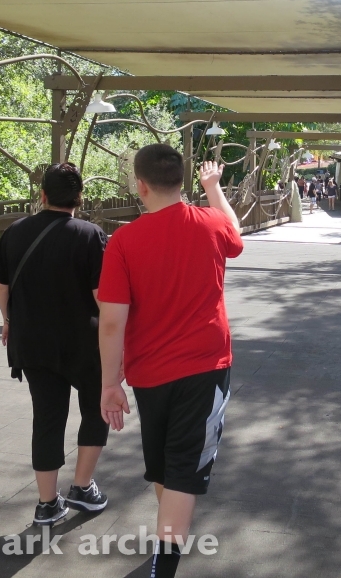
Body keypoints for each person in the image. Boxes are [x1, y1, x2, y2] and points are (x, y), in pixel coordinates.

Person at [98, 148, 243, 578]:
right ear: (181, 182)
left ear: (140, 185)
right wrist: (213, 189)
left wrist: (110, 383)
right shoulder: (212, 223)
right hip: (206, 367)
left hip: (148, 373)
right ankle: (168, 552)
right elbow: (235, 232)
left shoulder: (124, 242)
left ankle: (167, 549)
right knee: (177, 468)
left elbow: (111, 321)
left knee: (167, 466)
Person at [0, 162, 110, 526]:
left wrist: (8, 320)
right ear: (79, 198)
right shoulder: (90, 235)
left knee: (46, 418)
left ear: (42, 195)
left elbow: (2, 284)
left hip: (33, 342)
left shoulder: (15, 231)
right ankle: (82, 486)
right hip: (83, 342)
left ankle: (46, 504)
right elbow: (102, 296)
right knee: (95, 410)